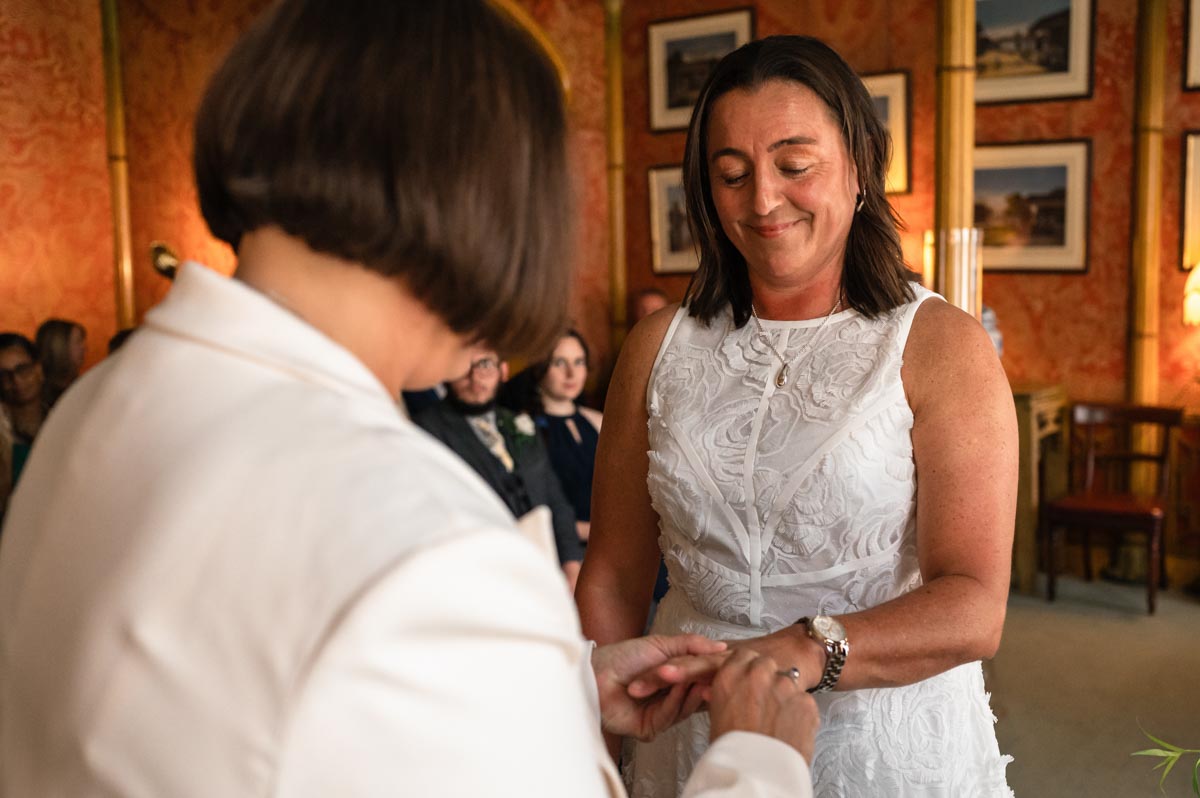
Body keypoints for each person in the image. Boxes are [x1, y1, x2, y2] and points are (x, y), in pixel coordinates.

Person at [0, 4, 819, 795]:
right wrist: (757, 762)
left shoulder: (98, 407)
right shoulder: (423, 538)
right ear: (492, 205)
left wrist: (543, 689)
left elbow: (242, 703)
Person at [575, 35, 1017, 797]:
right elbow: (615, 575)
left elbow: (974, 602)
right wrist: (585, 746)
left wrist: (811, 649)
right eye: (732, 175)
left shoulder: (942, 346)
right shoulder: (657, 348)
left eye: (794, 165)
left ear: (858, 166)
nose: (764, 201)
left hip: (881, 737)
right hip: (685, 722)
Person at [415, 350, 585, 590]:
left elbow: (555, 499)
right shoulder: (426, 429)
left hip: (547, 565)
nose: (476, 378)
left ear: (503, 370)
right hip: (486, 572)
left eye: (485, 365)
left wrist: (571, 564)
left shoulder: (519, 422)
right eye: (465, 366)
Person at [532, 330, 602, 544]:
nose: (571, 373)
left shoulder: (598, 421)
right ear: (540, 366)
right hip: (563, 547)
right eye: (559, 362)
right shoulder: (525, 429)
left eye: (579, 362)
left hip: (610, 546)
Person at [0, 333, 46, 491]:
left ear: (38, 370)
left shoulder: (63, 418)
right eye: (5, 375)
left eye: (23, 369)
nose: (16, 381)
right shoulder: (3, 434)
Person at [35, 318, 87, 408]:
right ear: (60, 347)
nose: (84, 348)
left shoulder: (82, 385)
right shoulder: (38, 396)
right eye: (78, 341)